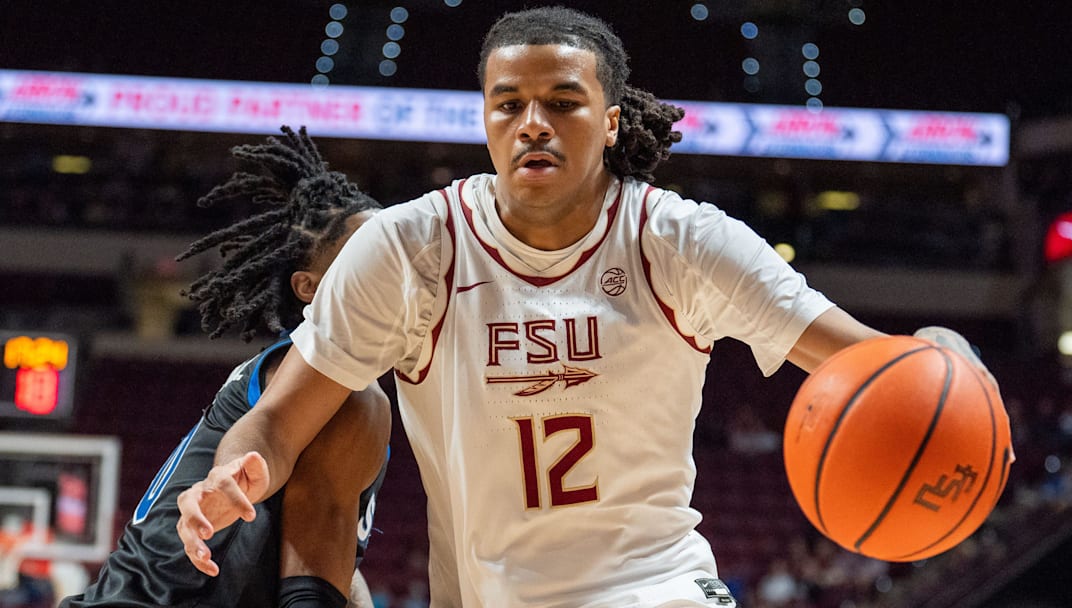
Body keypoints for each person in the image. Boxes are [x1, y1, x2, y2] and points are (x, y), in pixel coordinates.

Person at [176, 7, 1005, 607]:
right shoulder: (409, 248)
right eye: (509, 104)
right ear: (486, 119)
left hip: (658, 587)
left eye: (563, 102)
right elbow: (278, 422)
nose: (533, 123)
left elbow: (867, 363)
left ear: (608, 121)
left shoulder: (680, 240)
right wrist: (230, 473)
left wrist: (943, 351)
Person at [62, 126, 391, 608]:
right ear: (309, 287)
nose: (388, 274)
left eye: (392, 258)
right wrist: (230, 473)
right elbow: (265, 437)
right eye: (366, 260)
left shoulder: (330, 385)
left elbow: (324, 553)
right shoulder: (340, 384)